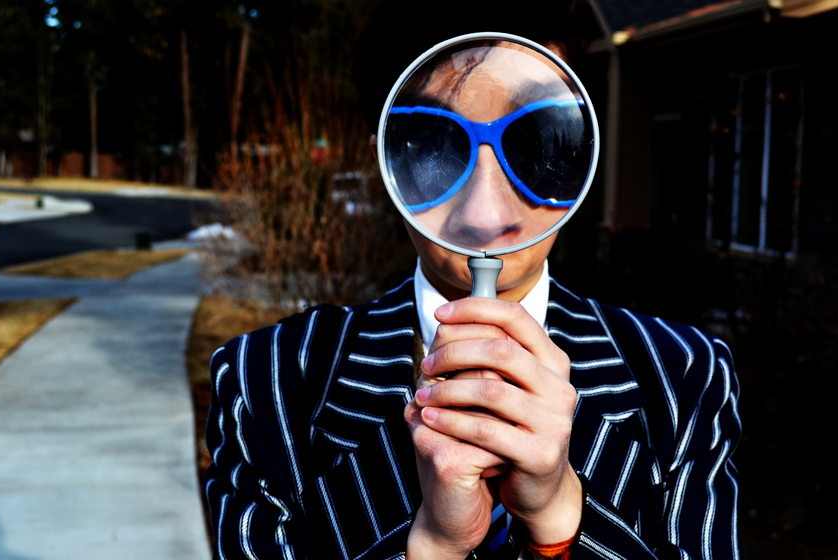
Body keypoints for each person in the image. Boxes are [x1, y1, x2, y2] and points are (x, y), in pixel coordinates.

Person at [204, 1, 745, 559]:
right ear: (385, 168)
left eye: (534, 139)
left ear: (581, 148)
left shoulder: (684, 377)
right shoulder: (266, 384)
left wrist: (560, 517)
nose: (485, 217)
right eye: (434, 146)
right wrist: (434, 546)